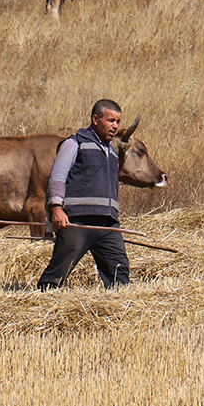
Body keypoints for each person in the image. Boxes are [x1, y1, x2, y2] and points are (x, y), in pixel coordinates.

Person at [37, 99, 131, 290]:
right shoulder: (75, 143)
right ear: (96, 119)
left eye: (118, 121)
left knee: (119, 269)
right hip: (78, 221)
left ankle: (120, 309)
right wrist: (56, 209)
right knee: (60, 269)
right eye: (111, 120)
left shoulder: (111, 152)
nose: (115, 126)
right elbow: (57, 177)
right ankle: (43, 298)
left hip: (108, 223)